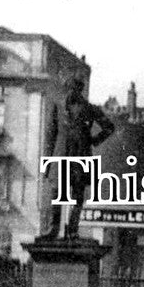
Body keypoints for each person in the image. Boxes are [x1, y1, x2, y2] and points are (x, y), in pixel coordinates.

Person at [43, 75, 116, 239]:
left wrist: (93, 140)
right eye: (69, 88)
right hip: (60, 156)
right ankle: (53, 229)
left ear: (79, 90)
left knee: (77, 195)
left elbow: (109, 127)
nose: (71, 92)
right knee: (56, 193)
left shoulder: (90, 108)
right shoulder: (58, 106)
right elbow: (50, 135)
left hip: (80, 156)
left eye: (74, 88)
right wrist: (47, 163)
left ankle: (73, 229)